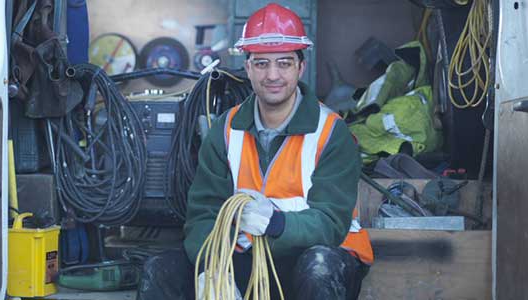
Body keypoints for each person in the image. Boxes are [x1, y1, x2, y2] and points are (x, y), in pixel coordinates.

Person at [137, 3, 373, 300]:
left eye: (284, 63)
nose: (272, 75)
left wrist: (277, 224)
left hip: (313, 259)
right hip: (244, 260)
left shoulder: (330, 133)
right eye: (261, 64)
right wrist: (212, 271)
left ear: (301, 67)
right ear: (247, 68)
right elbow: (203, 215)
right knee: (160, 270)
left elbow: (331, 224)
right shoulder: (226, 129)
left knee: (318, 267)